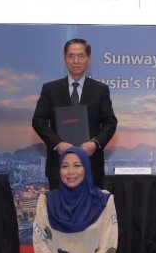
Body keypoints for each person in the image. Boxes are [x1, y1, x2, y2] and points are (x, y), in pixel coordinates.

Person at [32, 38, 118, 190]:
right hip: (58, 167)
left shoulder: (100, 90)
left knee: (92, 213)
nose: (76, 61)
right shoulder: (50, 89)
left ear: (88, 60)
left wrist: (95, 143)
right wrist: (58, 144)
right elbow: (38, 121)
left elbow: (110, 122)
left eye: (80, 56)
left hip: (91, 166)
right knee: (59, 212)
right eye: (71, 56)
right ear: (65, 60)